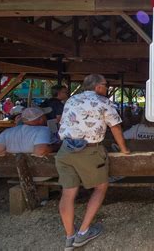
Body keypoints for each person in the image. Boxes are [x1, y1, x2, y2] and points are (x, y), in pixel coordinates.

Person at [55, 74, 130, 250]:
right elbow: (116, 127)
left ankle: (69, 236)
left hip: (65, 150)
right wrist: (124, 149)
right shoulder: (104, 102)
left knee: (68, 194)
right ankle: (83, 232)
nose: (107, 88)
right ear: (97, 87)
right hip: (89, 150)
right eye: (105, 85)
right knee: (100, 187)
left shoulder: (71, 101)